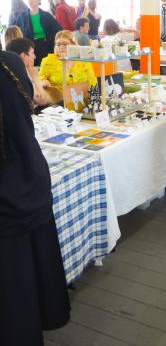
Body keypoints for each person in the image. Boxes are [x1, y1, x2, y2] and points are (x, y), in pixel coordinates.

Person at [0, 50, 70, 345]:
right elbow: (32, 99)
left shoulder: (10, 63)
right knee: (23, 282)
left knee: (14, 288)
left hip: (13, 186)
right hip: (27, 178)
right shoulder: (10, 63)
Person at [6, 37, 51, 106]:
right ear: (24, 56)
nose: (35, 57)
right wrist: (33, 73)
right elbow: (43, 100)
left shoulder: (8, 70)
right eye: (32, 53)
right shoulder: (21, 75)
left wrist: (41, 83)